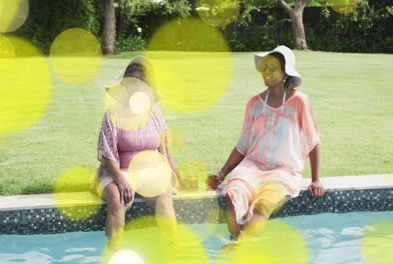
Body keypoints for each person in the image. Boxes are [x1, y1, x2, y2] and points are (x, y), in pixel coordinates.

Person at [208, 45, 325, 240]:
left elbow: (313, 141)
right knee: (232, 195)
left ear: (286, 74)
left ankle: (235, 251)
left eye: (273, 68)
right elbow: (242, 146)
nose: (267, 72)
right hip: (251, 167)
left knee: (263, 205)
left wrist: (315, 179)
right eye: (265, 67)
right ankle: (240, 247)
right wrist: (222, 174)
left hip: (284, 171)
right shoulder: (254, 103)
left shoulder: (300, 101)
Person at [94, 56, 180, 246]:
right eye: (132, 81)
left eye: (141, 82)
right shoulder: (113, 114)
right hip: (116, 172)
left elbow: (164, 150)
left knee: (164, 192)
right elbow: (107, 154)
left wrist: (172, 175)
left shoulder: (155, 115)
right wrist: (121, 180)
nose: (136, 86)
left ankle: (174, 247)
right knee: (118, 199)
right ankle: (114, 250)